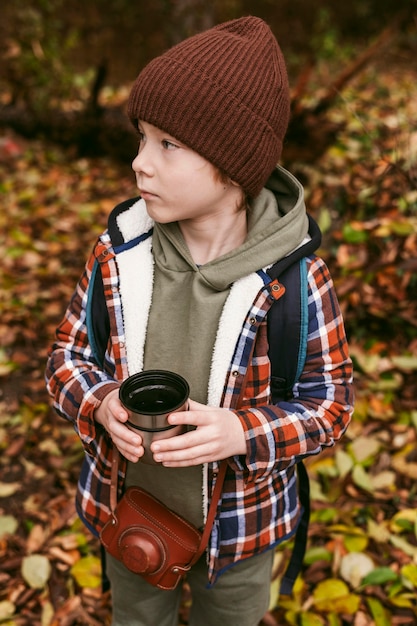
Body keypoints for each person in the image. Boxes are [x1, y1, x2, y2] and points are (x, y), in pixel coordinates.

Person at [45, 15, 354, 626]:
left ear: (231, 163)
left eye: (167, 144)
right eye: (141, 138)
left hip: (241, 530)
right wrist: (100, 401)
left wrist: (244, 433)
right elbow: (67, 358)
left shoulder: (294, 280)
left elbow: (331, 404)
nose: (139, 163)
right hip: (128, 506)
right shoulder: (119, 254)